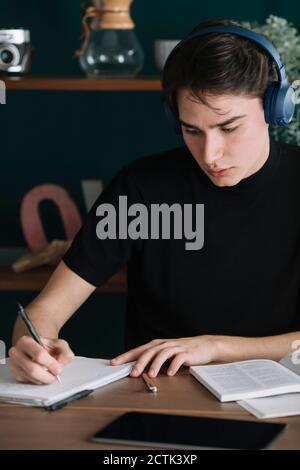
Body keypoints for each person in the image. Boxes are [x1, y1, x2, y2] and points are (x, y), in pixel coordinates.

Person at [9, 18, 300, 385]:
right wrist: (29, 345)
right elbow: (44, 310)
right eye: (191, 130)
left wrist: (214, 348)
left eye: (229, 128)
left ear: (275, 109)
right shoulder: (141, 189)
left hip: (282, 399)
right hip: (154, 397)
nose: (210, 154)